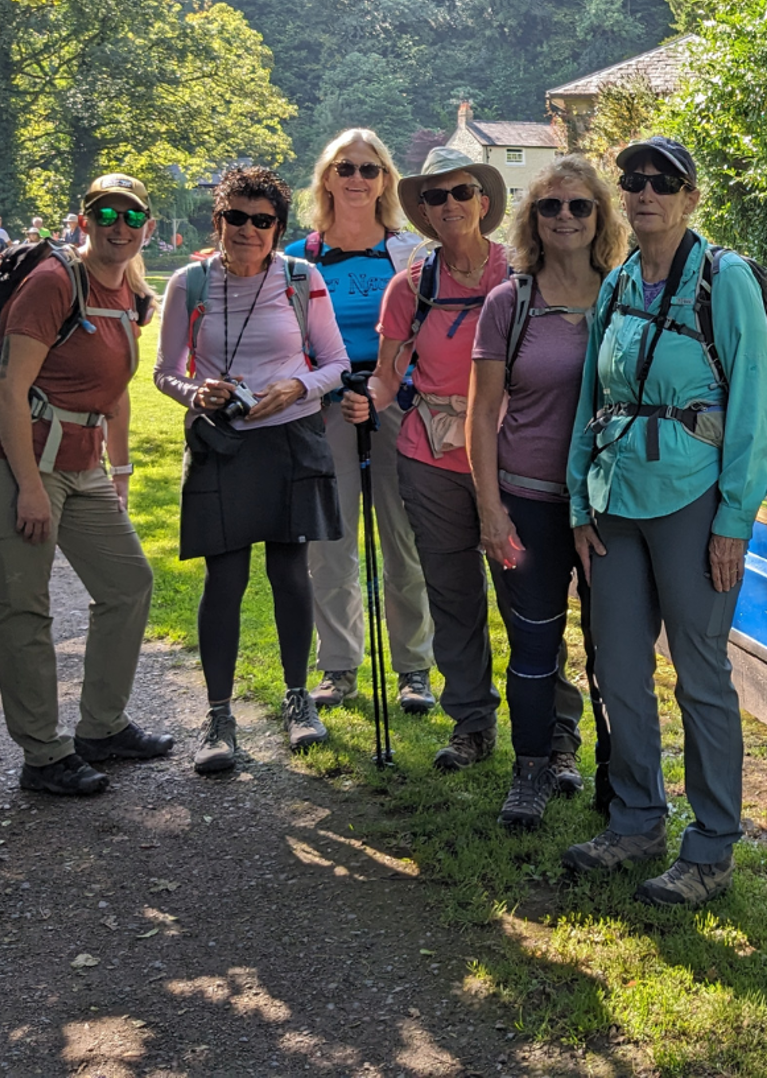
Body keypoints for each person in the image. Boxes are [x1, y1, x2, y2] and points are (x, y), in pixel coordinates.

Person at [561, 137, 767, 907]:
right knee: (619, 669)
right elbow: (593, 400)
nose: (644, 191)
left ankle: (711, 847)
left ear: (690, 198)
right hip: (617, 501)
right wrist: (579, 500)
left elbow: (753, 401)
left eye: (663, 181)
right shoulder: (617, 283)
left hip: (693, 503)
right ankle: (636, 821)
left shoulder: (726, 279)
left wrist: (734, 521)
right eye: (634, 180)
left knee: (701, 675)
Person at [0, 173, 174, 796]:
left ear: (147, 229)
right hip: (15, 461)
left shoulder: (129, 294)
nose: (119, 226)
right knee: (26, 606)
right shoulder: (54, 284)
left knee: (128, 583)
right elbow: (8, 387)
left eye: (133, 218)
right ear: (84, 221)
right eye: (106, 214)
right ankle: (44, 755)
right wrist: (27, 485)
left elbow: (116, 394)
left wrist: (123, 471)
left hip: (83, 467)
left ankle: (102, 728)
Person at [154, 165, 351, 772]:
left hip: (291, 438)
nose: (247, 229)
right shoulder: (189, 284)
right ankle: (218, 718)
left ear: (278, 228)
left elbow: (336, 363)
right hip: (226, 446)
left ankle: (298, 702)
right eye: (235, 217)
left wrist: (296, 386)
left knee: (292, 575)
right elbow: (165, 372)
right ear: (217, 221)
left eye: (262, 220)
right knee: (225, 581)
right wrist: (197, 394)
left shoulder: (301, 279)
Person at [468, 155, 624, 829]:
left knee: (613, 648)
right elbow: (480, 413)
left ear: (600, 217)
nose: (565, 217)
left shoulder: (627, 298)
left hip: (612, 503)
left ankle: (621, 781)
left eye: (579, 206)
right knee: (534, 645)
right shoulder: (511, 302)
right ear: (532, 218)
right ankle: (530, 768)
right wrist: (489, 510)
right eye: (550, 206)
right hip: (527, 500)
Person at [351, 145, 511, 772]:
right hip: (430, 453)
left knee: (526, 596)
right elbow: (389, 378)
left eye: (461, 192)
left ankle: (552, 736)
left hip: (510, 454)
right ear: (422, 209)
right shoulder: (412, 285)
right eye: (435, 196)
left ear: (484, 202)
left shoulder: (519, 275)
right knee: (452, 595)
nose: (449, 205)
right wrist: (366, 401)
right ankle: (472, 723)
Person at [286, 130, 436, 717]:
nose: (356, 178)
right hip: (325, 408)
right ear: (326, 177)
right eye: (344, 168)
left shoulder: (410, 254)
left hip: (396, 405)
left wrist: (390, 390)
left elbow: (427, 335)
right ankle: (340, 667)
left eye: (369, 170)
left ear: (385, 181)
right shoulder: (300, 258)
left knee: (403, 542)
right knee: (332, 545)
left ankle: (414, 669)